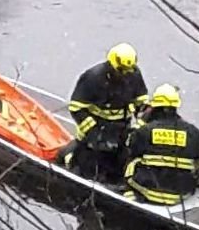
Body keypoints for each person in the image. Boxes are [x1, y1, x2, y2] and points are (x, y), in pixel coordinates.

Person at [62, 43, 148, 182]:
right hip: (96, 128)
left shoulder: (134, 74)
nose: (125, 74)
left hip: (121, 128)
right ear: (112, 64)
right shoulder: (93, 78)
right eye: (121, 70)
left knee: (119, 166)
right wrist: (94, 132)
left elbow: (141, 102)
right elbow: (77, 107)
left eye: (128, 70)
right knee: (88, 167)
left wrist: (142, 125)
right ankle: (70, 158)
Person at [124, 83, 199, 204]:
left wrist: (141, 122)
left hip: (148, 191)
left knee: (130, 161)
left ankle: (128, 194)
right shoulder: (192, 132)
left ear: (154, 107)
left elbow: (129, 149)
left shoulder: (144, 131)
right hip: (181, 194)